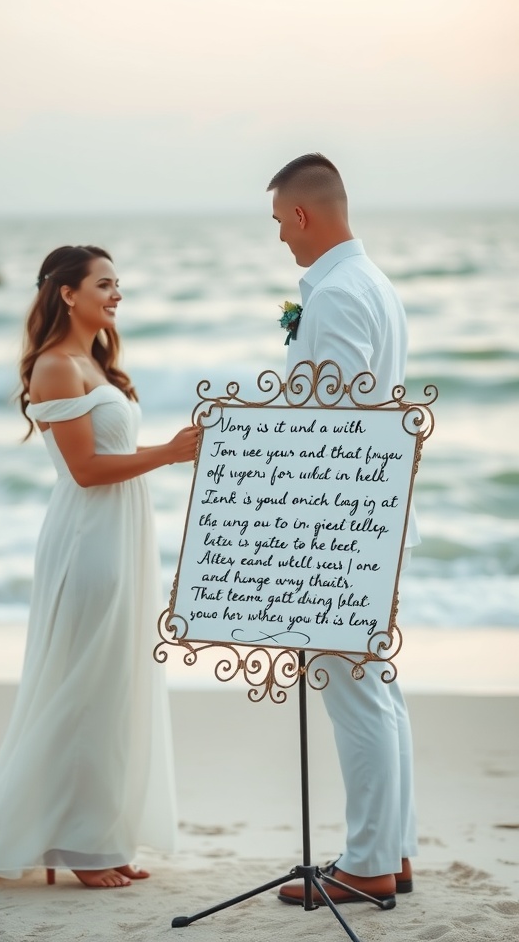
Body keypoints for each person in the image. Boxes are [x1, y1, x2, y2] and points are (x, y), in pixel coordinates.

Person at [0, 245, 199, 888]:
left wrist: (174, 450)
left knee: (111, 688)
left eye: (118, 285)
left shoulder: (93, 363)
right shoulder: (56, 368)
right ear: (67, 293)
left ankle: (101, 837)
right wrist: (167, 454)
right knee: (83, 691)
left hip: (120, 534)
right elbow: (85, 471)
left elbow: (108, 452)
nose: (117, 296)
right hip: (89, 541)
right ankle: (76, 847)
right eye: (105, 285)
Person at [267, 154, 419, 908]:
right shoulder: (376, 285)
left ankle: (366, 865)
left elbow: (337, 427)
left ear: (302, 216)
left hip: (342, 530)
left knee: (355, 693)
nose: (282, 243)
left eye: (279, 226)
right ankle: (392, 850)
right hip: (377, 520)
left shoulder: (332, 298)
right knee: (379, 690)